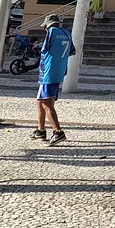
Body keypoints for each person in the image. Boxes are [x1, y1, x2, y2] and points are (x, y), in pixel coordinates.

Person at [31, 14, 75, 146]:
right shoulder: (67, 33)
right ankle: (41, 130)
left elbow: (44, 48)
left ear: (48, 25)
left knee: (46, 103)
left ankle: (58, 132)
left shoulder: (51, 32)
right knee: (40, 101)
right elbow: (73, 51)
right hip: (59, 69)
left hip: (48, 72)